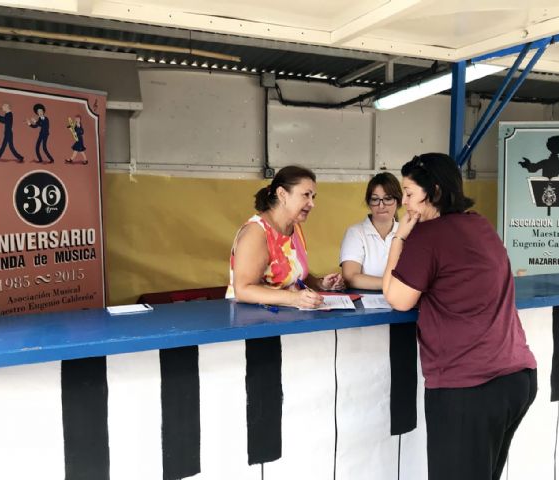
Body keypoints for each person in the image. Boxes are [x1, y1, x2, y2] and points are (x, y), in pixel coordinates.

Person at [382, 153, 537, 480]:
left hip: (468, 389)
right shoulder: (480, 224)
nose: (404, 204)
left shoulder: (428, 236)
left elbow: (397, 298)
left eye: (409, 194)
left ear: (434, 192)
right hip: (516, 379)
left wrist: (399, 238)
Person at [227, 165, 344, 309]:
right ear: (282, 194)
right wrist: (294, 298)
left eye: (313, 197)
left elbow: (292, 276)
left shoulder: (294, 227)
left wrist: (320, 284)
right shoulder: (256, 232)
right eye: (306, 195)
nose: (312, 203)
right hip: (256, 323)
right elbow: (243, 290)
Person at [339, 172, 402, 290]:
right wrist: (392, 285)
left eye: (388, 199)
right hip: (365, 305)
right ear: (369, 203)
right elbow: (350, 277)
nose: (381, 205)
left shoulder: (407, 231)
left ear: (398, 201)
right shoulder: (355, 233)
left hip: (404, 301)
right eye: (375, 199)